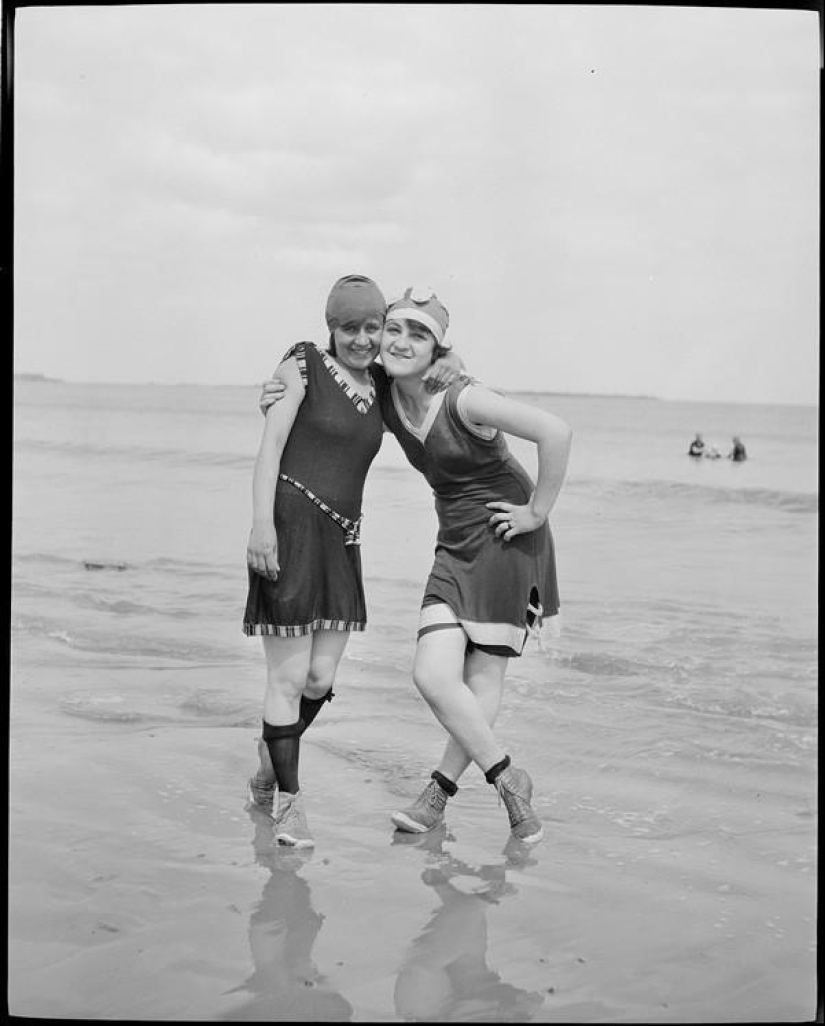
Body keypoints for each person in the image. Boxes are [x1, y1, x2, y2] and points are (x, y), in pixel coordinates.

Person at [244, 275, 462, 849]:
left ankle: (268, 773)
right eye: (350, 328)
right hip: (288, 529)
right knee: (288, 677)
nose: (363, 339)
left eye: (373, 327)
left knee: (320, 678)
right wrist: (261, 524)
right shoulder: (304, 363)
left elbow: (434, 365)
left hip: (342, 540)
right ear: (331, 328)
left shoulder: (384, 384)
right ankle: (290, 802)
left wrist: (451, 357)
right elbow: (271, 445)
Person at [372, 288, 572, 846]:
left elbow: (556, 432)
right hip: (454, 542)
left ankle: (437, 794)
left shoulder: (464, 398)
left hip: (506, 538)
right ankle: (509, 777)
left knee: (479, 678)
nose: (402, 341)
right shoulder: (386, 396)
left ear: (438, 349)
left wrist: (537, 512)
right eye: (395, 329)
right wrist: (281, 390)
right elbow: (332, 382)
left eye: (420, 334)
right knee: (433, 674)